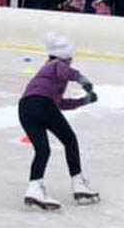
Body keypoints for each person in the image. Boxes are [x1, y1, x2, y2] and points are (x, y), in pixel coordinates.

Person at [19, 33, 100, 210]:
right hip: (41, 104)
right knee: (69, 140)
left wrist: (84, 100)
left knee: (43, 150)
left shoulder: (47, 71)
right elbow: (67, 72)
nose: (70, 61)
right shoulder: (57, 65)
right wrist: (83, 81)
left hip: (26, 108)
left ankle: (34, 187)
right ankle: (78, 183)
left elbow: (60, 104)